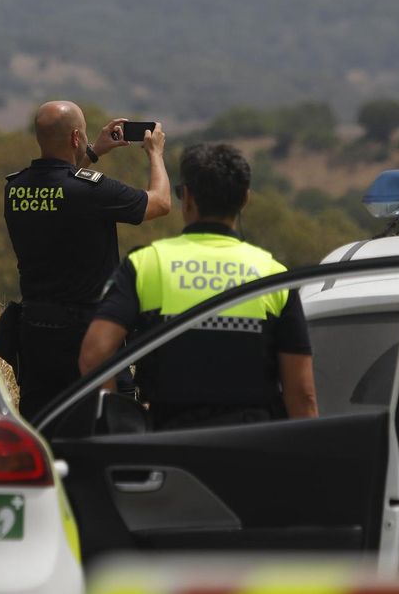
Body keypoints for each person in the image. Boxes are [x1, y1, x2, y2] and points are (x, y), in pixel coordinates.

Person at [78, 143, 317, 430]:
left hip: (171, 448)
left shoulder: (146, 264)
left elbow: (93, 356)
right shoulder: (274, 276)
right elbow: (302, 394)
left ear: (187, 197)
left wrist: (118, 425)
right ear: (245, 199)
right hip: (252, 452)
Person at [2, 101, 173, 420]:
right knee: (111, 421)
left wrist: (94, 150)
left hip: (35, 335)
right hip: (89, 336)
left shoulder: (15, 188)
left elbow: (60, 178)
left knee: (43, 423)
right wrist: (156, 154)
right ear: (76, 137)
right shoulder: (92, 191)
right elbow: (160, 203)